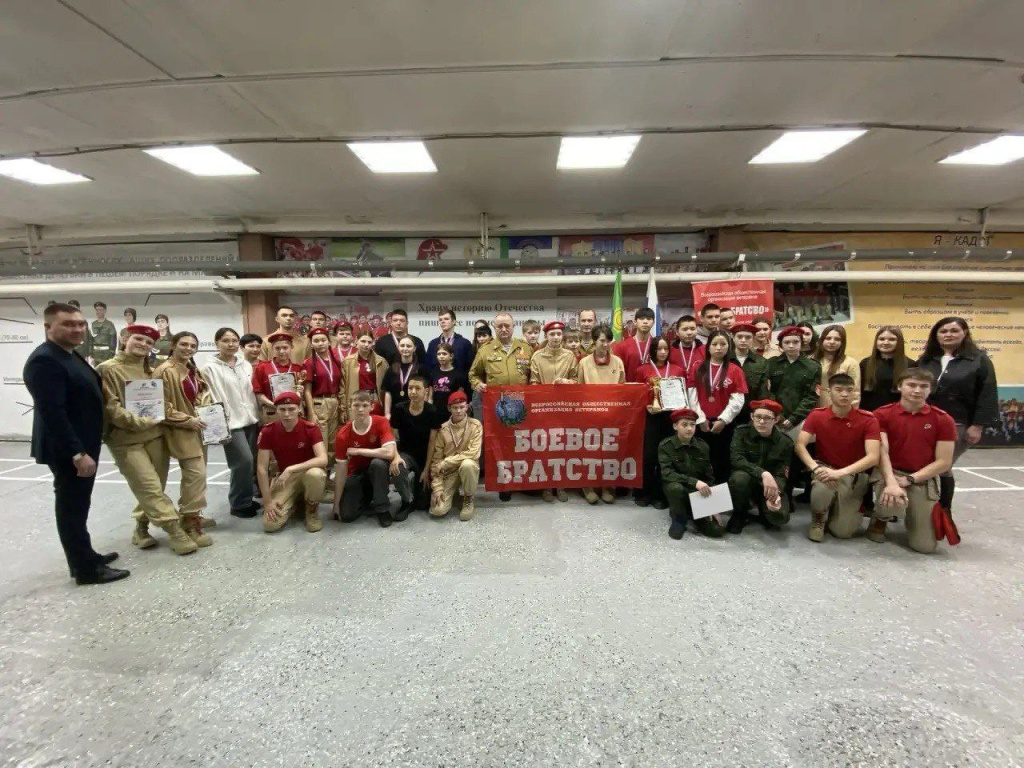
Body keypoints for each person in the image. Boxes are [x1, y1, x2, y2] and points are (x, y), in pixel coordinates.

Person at [24, 303, 128, 584]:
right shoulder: (45, 360)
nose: (78, 329)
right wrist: (77, 453)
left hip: (83, 442)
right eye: (69, 324)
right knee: (71, 507)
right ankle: (85, 570)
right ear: (48, 327)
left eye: (81, 324)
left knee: (79, 504)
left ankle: (86, 555)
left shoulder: (68, 354)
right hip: (68, 449)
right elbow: (52, 412)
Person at [98, 325, 198, 556]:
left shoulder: (151, 371)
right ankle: (175, 530)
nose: (143, 344)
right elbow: (110, 408)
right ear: (125, 339)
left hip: (155, 436)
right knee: (149, 487)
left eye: (149, 342)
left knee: (154, 486)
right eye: (139, 339)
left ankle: (141, 528)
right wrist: (141, 422)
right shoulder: (108, 369)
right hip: (126, 440)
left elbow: (161, 403)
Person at [916, 316, 1000, 516]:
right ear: (936, 335)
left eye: (954, 330)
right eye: (943, 331)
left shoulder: (979, 360)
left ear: (965, 333)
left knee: (942, 465)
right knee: (928, 463)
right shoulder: (926, 360)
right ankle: (923, 510)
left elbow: (987, 393)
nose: (948, 334)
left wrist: (977, 425)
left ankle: (943, 512)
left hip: (959, 423)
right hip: (924, 422)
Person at [866, 369, 956, 553]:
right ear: (900, 386)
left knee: (925, 546)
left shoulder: (943, 419)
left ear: (930, 390)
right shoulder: (881, 414)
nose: (917, 390)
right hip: (889, 471)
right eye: (911, 385)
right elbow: (882, 452)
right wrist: (892, 482)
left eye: (923, 386)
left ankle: (914, 517)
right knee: (891, 495)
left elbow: (944, 462)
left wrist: (910, 479)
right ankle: (881, 518)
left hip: (921, 476)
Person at [795, 373, 881, 542]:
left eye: (849, 390)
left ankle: (837, 511)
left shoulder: (868, 419)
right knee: (821, 487)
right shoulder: (817, 415)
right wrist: (815, 468)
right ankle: (818, 519)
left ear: (855, 393)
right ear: (829, 392)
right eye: (839, 390)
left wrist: (840, 473)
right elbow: (800, 445)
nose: (844, 394)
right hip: (825, 469)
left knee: (843, 532)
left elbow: (873, 457)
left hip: (853, 474)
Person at [154, 331, 213, 546]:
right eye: (184, 344)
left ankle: (191, 515)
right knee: (196, 475)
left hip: (198, 428)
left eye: (192, 345)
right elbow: (160, 406)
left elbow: (199, 396)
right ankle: (189, 523)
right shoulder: (164, 371)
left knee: (196, 477)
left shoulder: (192, 369)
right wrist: (187, 420)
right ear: (173, 345)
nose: (188, 348)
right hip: (179, 429)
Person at [470, 312, 534, 501]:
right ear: (494, 328)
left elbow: (534, 375)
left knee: (521, 443)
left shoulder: (526, 348)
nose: (504, 329)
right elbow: (473, 374)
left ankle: (522, 480)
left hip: (522, 406)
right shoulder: (485, 350)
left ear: (513, 326)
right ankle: (504, 483)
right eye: (500, 326)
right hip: (497, 407)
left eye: (507, 325)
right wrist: (477, 384)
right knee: (499, 445)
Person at [202, 327, 261, 518]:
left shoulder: (245, 365)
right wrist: (219, 424)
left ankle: (246, 498)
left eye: (234, 341)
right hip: (230, 423)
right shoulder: (209, 368)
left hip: (250, 419)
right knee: (243, 461)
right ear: (216, 343)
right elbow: (210, 397)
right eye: (226, 341)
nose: (231, 344)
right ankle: (238, 504)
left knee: (251, 462)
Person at [332, 390, 407, 527]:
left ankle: (382, 508)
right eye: (356, 405)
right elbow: (341, 471)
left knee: (377, 464)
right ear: (350, 406)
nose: (360, 409)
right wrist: (336, 505)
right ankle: (369, 494)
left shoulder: (381, 422)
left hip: (379, 469)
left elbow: (389, 452)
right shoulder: (342, 435)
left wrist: (358, 451)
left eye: (365, 405)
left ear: (372, 407)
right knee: (347, 515)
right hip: (357, 472)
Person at [256, 392, 328, 533]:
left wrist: (291, 468)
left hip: (307, 473)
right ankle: (296, 503)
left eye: (291, 409)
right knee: (270, 525)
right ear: (277, 410)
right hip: (285, 479)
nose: (287, 414)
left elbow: (323, 459)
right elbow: (261, 468)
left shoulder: (310, 429)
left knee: (316, 474)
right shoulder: (268, 431)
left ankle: (311, 511)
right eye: (282, 409)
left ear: (299, 408)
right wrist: (268, 501)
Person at [767, 326, 823, 503]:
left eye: (795, 342)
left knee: (798, 460)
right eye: (787, 342)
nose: (791, 346)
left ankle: (794, 495)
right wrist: (779, 415)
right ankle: (782, 495)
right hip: (776, 419)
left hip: (801, 421)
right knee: (778, 459)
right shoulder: (772, 364)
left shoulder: (813, 366)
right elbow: (769, 392)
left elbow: (812, 396)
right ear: (781, 345)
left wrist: (793, 418)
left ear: (802, 343)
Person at [634, 337, 692, 509]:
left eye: (665, 349)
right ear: (652, 350)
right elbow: (637, 395)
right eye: (658, 349)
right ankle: (643, 492)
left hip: (670, 418)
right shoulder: (642, 370)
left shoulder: (677, 370)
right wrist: (646, 406)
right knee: (648, 456)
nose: (662, 352)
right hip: (651, 417)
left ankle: (661, 495)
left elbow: (684, 396)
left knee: (666, 457)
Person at [529, 321, 579, 503]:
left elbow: (577, 380)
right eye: (552, 334)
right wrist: (542, 394)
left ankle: (561, 484)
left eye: (559, 334)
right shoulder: (537, 356)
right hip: (544, 409)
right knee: (545, 447)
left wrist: (567, 382)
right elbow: (533, 382)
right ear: (546, 336)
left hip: (565, 408)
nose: (556, 337)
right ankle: (547, 485)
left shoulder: (570, 356)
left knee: (563, 446)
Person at [726, 400, 794, 534]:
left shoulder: (785, 442)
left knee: (780, 518)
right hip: (747, 480)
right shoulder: (741, 433)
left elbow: (782, 473)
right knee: (739, 479)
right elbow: (737, 460)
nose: (762, 422)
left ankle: (763, 508)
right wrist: (763, 473)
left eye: (767, 418)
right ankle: (740, 513)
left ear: (776, 419)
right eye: (758, 417)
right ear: (752, 417)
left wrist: (777, 493)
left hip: (769, 485)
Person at [690, 331, 748, 484]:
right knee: (700, 461)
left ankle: (722, 496)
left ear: (729, 347)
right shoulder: (697, 367)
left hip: (724, 424)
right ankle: (701, 496)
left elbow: (738, 400)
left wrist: (723, 420)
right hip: (700, 423)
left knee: (722, 462)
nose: (718, 348)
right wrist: (700, 419)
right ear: (708, 346)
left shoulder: (735, 370)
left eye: (723, 344)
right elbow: (691, 394)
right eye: (714, 344)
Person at [576, 324, 625, 504]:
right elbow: (579, 389)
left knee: (609, 452)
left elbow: (622, 388)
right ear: (594, 341)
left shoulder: (618, 362)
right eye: (602, 341)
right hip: (590, 415)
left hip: (612, 415)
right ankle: (587, 487)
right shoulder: (584, 362)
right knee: (589, 452)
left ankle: (607, 487)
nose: (605, 344)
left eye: (608, 341)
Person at [659, 408, 724, 539]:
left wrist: (713, 505)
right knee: (675, 488)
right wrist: (694, 482)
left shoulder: (702, 446)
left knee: (717, 531)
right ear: (675, 426)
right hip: (679, 488)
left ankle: (696, 515)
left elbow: (709, 476)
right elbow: (667, 473)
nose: (689, 429)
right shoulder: (666, 446)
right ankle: (679, 519)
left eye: (692, 425)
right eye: (684, 425)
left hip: (698, 492)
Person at [391, 374, 442, 516]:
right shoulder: (399, 409)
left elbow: (432, 442)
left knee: (422, 504)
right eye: (410, 388)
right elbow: (392, 437)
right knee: (398, 467)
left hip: (425, 457)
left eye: (417, 388)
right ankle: (406, 501)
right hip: (405, 455)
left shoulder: (432, 411)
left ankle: (414, 484)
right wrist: (395, 457)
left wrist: (426, 469)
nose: (413, 392)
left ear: (426, 391)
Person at [429, 392, 483, 520]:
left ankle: (468, 498)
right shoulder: (443, 430)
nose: (458, 411)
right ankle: (454, 494)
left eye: (462, 407)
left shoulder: (475, 425)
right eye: (455, 408)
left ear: (467, 407)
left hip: (467, 469)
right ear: (449, 408)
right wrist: (437, 488)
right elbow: (436, 461)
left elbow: (473, 453)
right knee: (437, 511)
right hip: (449, 472)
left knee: (467, 464)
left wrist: (446, 462)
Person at [302, 327, 344, 468]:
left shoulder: (336, 361)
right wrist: (311, 412)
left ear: (329, 342)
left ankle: (330, 473)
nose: (320, 343)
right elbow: (307, 391)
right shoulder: (309, 363)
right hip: (319, 403)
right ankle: (320, 474)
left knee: (333, 441)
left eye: (323, 340)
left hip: (334, 402)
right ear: (312, 344)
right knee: (322, 441)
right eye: (316, 341)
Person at [252, 332, 305, 424]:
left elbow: (301, 394)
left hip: (293, 413)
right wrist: (276, 405)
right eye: (277, 348)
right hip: (272, 412)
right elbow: (258, 394)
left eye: (285, 348)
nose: (281, 351)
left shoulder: (298, 368)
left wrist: (300, 391)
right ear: (272, 349)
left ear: (291, 347)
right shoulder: (262, 367)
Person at [859, 325, 909, 412]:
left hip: (898, 414)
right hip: (869, 413)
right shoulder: (865, 363)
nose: (886, 342)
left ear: (900, 342)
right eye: (881, 339)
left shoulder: (910, 365)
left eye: (892, 339)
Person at [342, 329, 389, 419]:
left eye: (369, 342)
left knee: (374, 426)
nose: (366, 345)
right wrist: (343, 408)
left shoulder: (381, 362)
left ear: (373, 343)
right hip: (356, 400)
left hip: (374, 400)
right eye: (363, 341)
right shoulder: (348, 362)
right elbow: (342, 388)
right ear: (356, 341)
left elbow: (386, 387)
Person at [730, 323, 770, 423]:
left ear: (753, 339)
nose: (743, 340)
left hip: (750, 415)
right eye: (739, 337)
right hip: (727, 413)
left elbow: (763, 393)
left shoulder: (761, 362)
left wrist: (758, 414)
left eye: (748, 337)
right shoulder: (725, 360)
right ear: (733, 338)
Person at [813, 324, 860, 407]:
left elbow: (855, 392)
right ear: (822, 340)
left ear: (842, 342)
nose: (832, 342)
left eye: (837, 339)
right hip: (815, 406)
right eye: (828, 338)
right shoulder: (812, 360)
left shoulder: (850, 363)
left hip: (840, 408)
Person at [425, 308, 474, 376]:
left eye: (446, 319)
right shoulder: (433, 344)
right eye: (440, 320)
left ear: (454, 322)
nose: (442, 321)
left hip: (459, 381)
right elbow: (428, 367)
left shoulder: (464, 343)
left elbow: (469, 367)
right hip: (437, 381)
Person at [382, 336, 422, 419]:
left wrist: (422, 411)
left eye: (409, 346)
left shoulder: (421, 369)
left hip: (415, 413)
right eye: (402, 346)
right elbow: (388, 392)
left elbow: (425, 392)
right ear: (398, 348)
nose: (405, 348)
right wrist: (387, 413)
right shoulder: (392, 369)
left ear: (414, 348)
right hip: (395, 413)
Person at [430, 342, 472, 421]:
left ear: (451, 356)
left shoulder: (459, 374)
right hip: (436, 411)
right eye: (439, 354)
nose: (441, 356)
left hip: (452, 413)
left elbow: (461, 395)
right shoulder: (433, 373)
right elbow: (431, 392)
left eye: (444, 354)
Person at [613, 307, 656, 383]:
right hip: (630, 388)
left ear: (653, 323)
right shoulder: (623, 346)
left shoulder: (657, 345)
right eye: (642, 319)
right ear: (635, 321)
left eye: (649, 319)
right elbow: (616, 372)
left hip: (653, 388)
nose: (645, 322)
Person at [89, 301, 118, 365]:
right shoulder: (93, 324)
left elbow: (113, 339)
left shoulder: (109, 324)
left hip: (106, 354)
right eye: (96, 310)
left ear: (104, 311)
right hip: (95, 354)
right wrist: (90, 353)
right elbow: (90, 339)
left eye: (100, 310)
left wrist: (112, 352)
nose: (98, 312)